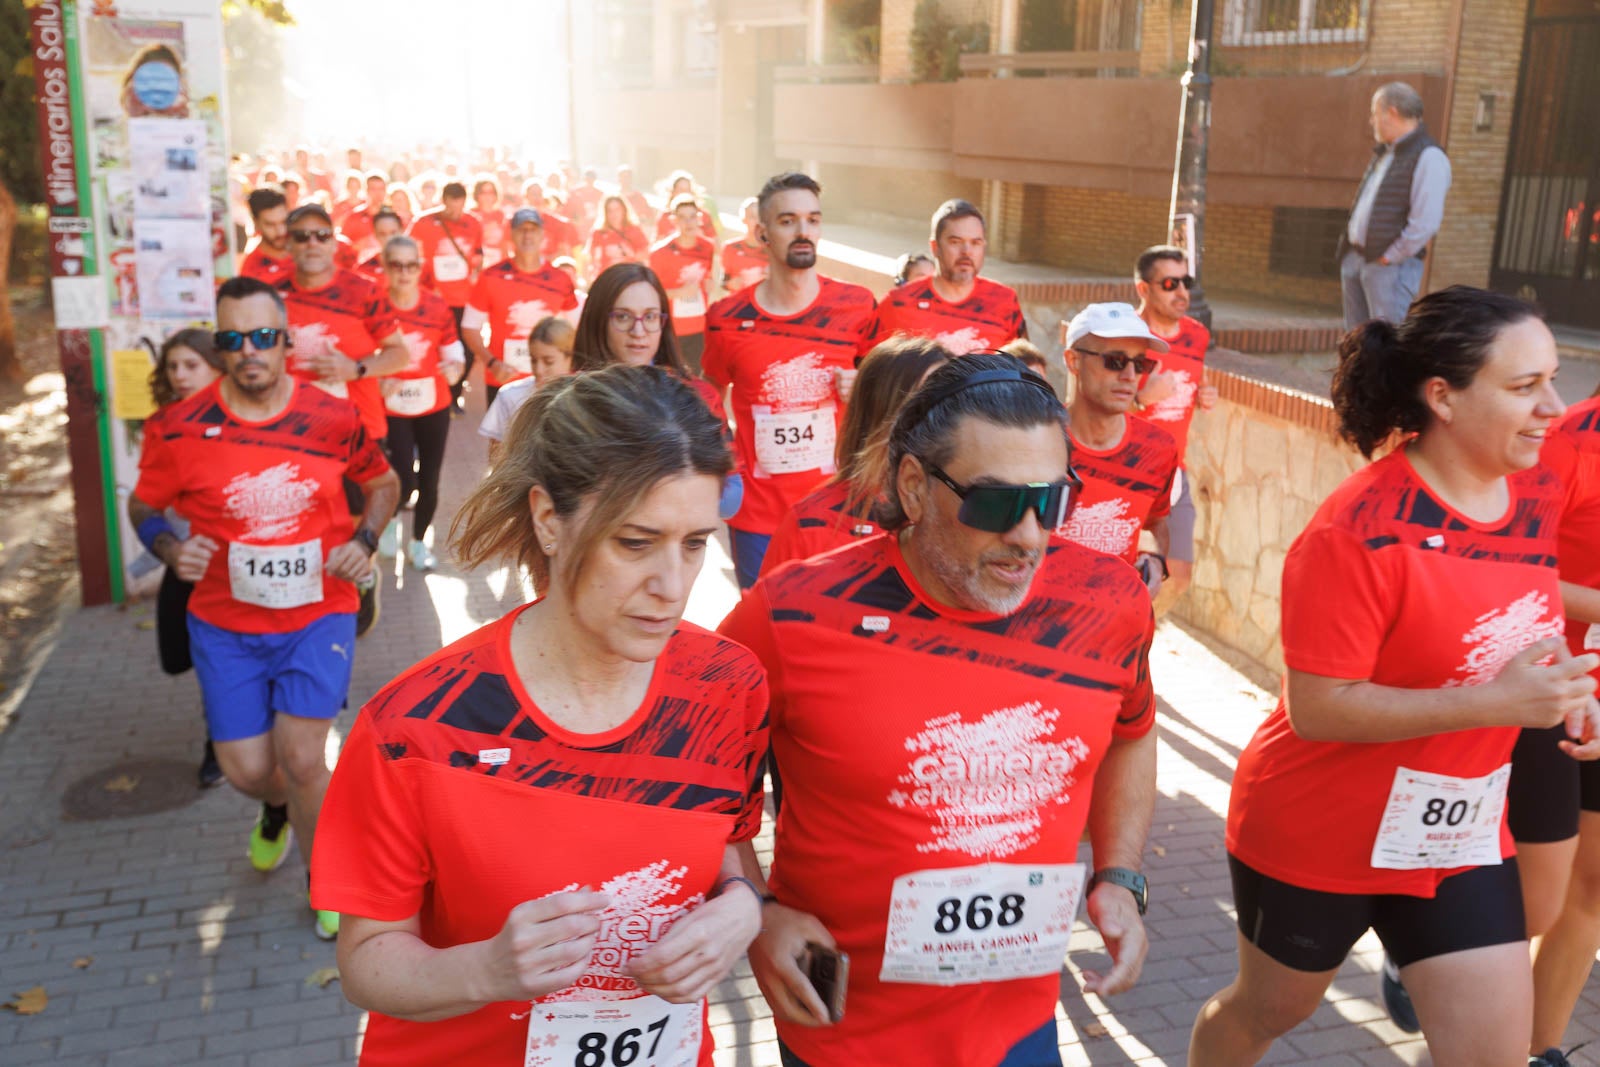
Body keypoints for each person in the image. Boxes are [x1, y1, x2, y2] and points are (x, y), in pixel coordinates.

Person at [1189, 286, 1600, 1067]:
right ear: (1442, 396)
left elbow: (1527, 608)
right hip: (1322, 828)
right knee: (1269, 1010)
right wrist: (1495, 701)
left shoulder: (1536, 490)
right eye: (1524, 387)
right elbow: (1317, 706)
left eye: (1554, 378)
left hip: (1455, 833)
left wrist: (1571, 693)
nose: (1555, 406)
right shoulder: (1357, 529)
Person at [312, 365, 768, 1065]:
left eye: (696, 543)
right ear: (549, 519)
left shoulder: (729, 686)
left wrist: (743, 904)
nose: (672, 586)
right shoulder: (415, 727)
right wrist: (484, 970)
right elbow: (366, 960)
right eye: (635, 542)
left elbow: (729, 844)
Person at [720, 353, 1156, 1067]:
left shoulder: (1108, 602)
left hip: (1019, 1028)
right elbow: (694, 783)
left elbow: (1134, 733)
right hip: (848, 1036)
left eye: (1050, 501)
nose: (1027, 535)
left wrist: (1119, 874)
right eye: (994, 503)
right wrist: (756, 910)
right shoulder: (792, 613)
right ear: (915, 487)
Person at [129, 276, 400, 941]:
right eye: (232, 339)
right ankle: (277, 809)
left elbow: (384, 482)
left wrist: (364, 541)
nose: (248, 350)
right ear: (219, 346)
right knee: (249, 768)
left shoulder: (333, 418)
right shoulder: (180, 427)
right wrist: (167, 546)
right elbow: (143, 504)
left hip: (318, 611)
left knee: (305, 756)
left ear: (284, 341)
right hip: (225, 623)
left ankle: (327, 877)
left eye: (262, 336)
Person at [702, 172, 876, 588]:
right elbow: (708, 397)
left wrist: (864, 384)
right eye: (788, 221)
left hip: (836, 509)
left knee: (831, 632)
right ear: (762, 233)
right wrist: (728, 468)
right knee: (761, 632)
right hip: (760, 516)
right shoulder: (726, 318)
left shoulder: (858, 306)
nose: (804, 232)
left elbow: (893, 399)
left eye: (813, 220)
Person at [280, 203, 409, 636]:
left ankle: (364, 575)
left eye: (321, 235)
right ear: (288, 242)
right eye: (302, 236)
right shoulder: (271, 294)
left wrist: (354, 369)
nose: (312, 243)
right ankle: (311, 604)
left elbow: (398, 353)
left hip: (358, 430)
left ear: (334, 241)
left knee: (359, 521)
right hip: (293, 436)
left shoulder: (364, 290)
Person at [1522, 394, 1600, 1065]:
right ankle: (1431, 954)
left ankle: (1539, 1050)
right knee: (1530, 887)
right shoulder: (1569, 438)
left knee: (1594, 881)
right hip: (1548, 685)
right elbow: (1512, 565)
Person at [760, 334, 950, 575]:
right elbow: (769, 609)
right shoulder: (812, 521)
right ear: (882, 412)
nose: (944, 417)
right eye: (925, 403)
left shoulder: (966, 513)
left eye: (949, 402)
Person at [145, 328, 225, 788]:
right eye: (172, 366)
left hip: (250, 566)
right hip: (194, 561)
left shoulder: (254, 420)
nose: (179, 375)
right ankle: (220, 740)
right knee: (187, 656)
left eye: (190, 365)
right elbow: (146, 504)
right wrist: (172, 550)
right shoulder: (165, 425)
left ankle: (223, 746)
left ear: (217, 367)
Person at [1059, 304, 1179, 600]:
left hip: (1114, 628)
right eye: (1115, 361)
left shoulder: (1159, 449)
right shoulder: (1035, 439)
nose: (1130, 375)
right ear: (1073, 361)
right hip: (1036, 628)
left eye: (1140, 364)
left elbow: (1156, 521)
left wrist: (1155, 558)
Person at [1132, 245, 1217, 614]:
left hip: (1173, 472)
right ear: (1144, 289)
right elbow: (1090, 401)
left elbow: (1197, 375)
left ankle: (1140, 638)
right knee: (1127, 569)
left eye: (1187, 282)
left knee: (1178, 576)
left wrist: (1205, 393)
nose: (1182, 292)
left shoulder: (1197, 335)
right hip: (1128, 469)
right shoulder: (1126, 335)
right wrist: (1139, 399)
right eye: (1170, 283)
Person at [374, 236, 465, 572]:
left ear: (420, 267)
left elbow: (452, 350)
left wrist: (454, 369)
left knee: (429, 479)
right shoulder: (375, 305)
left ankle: (417, 543)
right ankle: (392, 523)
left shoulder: (436, 306)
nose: (404, 272)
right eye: (396, 264)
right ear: (385, 267)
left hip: (433, 404)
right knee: (399, 475)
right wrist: (376, 381)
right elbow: (363, 356)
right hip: (392, 405)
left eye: (411, 264)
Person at [1338, 81, 1452, 329]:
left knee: (1387, 342)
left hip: (1388, 268)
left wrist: (1389, 257)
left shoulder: (1429, 157)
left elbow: (1425, 222)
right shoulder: (1387, 152)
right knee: (1355, 343)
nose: (1372, 120)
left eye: (1375, 112)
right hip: (1358, 259)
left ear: (1392, 112)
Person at [865, 199, 1026, 355]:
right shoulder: (898, 303)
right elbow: (867, 371)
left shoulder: (1005, 301)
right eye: (955, 242)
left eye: (975, 243)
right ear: (935, 247)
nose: (967, 251)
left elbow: (1026, 370)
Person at [460, 207, 580, 406]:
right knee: (503, 438)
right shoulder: (490, 277)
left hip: (547, 383)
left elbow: (577, 328)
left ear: (542, 235)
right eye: (521, 230)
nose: (527, 235)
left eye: (532, 230)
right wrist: (492, 363)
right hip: (502, 380)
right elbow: (470, 327)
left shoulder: (560, 279)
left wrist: (565, 368)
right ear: (511, 235)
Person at [479, 316, 576, 465]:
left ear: (570, 357)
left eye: (548, 361)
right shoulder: (510, 396)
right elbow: (496, 457)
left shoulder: (584, 398)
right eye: (533, 360)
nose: (539, 370)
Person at [649, 194, 716, 374]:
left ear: (699, 219)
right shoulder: (660, 252)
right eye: (683, 217)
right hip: (671, 329)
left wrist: (710, 287)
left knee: (695, 382)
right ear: (674, 221)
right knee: (671, 381)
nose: (689, 222)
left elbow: (708, 279)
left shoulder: (708, 247)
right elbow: (651, 293)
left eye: (693, 216)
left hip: (699, 326)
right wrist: (678, 293)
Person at [584, 195, 648, 283]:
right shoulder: (598, 233)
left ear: (624, 210)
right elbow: (590, 259)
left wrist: (628, 252)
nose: (614, 214)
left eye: (617, 209)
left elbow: (645, 254)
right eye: (609, 211)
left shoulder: (634, 230)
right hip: (606, 280)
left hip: (629, 279)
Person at [239, 187, 293, 287]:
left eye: (283, 222)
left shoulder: (306, 245)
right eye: (270, 225)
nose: (280, 231)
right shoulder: (251, 270)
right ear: (256, 222)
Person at [720, 198, 768, 295]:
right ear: (744, 220)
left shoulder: (774, 250)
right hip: (740, 306)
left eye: (760, 217)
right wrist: (730, 284)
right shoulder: (730, 248)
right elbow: (723, 282)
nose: (756, 221)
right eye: (752, 216)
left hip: (764, 306)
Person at [356, 209, 407, 282]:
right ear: (375, 235)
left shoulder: (418, 266)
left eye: (393, 233)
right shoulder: (364, 270)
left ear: (402, 231)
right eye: (382, 234)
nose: (389, 238)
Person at [472, 176, 510, 269]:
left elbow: (505, 244)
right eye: (483, 193)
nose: (487, 196)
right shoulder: (471, 214)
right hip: (477, 262)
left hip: (497, 262)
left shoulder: (501, 215)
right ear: (477, 194)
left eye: (491, 192)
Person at [617, 164, 655, 229]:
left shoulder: (639, 197)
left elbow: (650, 219)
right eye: (623, 177)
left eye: (628, 177)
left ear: (631, 178)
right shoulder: (613, 198)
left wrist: (642, 220)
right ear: (619, 178)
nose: (625, 179)